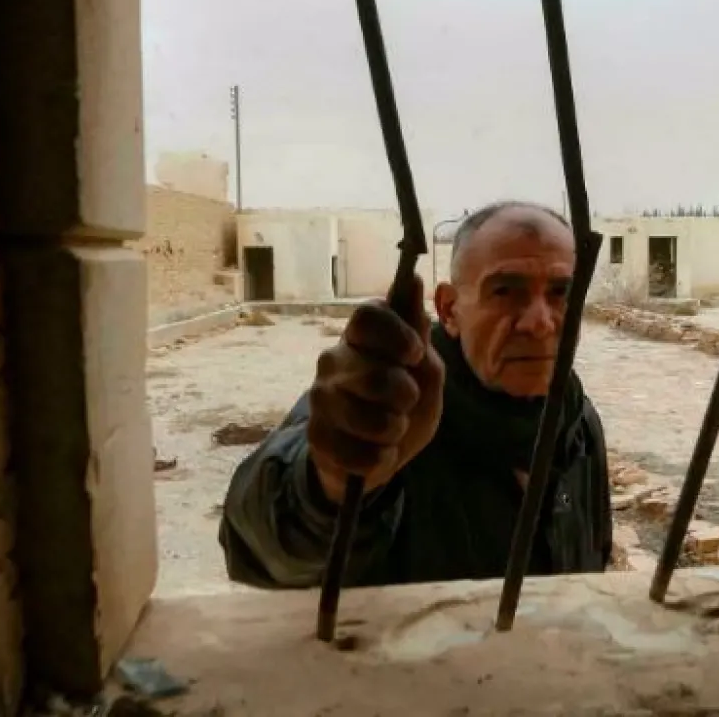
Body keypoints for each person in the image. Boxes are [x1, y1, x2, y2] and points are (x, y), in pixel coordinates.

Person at [219, 200, 612, 589]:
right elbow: (268, 544)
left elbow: (593, 554)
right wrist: (334, 482)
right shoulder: (394, 404)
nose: (540, 322)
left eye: (561, 293)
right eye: (506, 291)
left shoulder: (576, 421)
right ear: (450, 309)